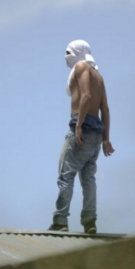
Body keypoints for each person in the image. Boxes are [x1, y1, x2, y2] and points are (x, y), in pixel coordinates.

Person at [48, 40, 114, 234]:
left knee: (65, 176)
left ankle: (60, 222)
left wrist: (78, 127)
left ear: (78, 52)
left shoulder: (80, 66)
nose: (66, 57)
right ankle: (90, 222)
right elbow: (105, 109)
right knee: (88, 179)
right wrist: (106, 138)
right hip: (96, 135)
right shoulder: (99, 77)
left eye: (68, 52)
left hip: (82, 129)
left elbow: (85, 97)